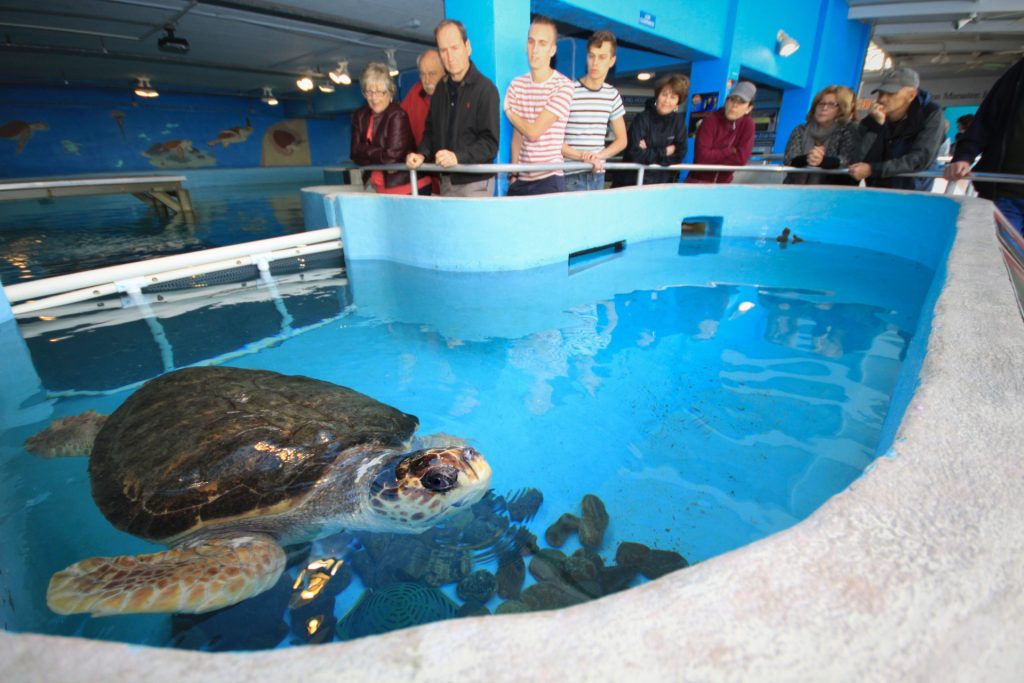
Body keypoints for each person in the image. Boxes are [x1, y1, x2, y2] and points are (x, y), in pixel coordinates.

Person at [406, 19, 500, 197]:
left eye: (455, 48)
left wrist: (458, 157)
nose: (450, 56)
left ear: (468, 47)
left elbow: (490, 144)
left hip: (475, 182)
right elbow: (431, 133)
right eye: (443, 50)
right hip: (446, 181)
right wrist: (421, 155)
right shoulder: (440, 90)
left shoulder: (486, 89)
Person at [945, 58, 1024, 233]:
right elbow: (985, 121)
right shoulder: (1016, 77)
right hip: (1006, 193)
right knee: (1001, 254)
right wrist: (964, 157)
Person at [503, 15, 575, 196]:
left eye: (542, 44)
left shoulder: (564, 86)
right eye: (531, 41)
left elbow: (533, 132)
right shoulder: (516, 85)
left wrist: (509, 112)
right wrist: (514, 174)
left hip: (550, 179)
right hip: (521, 180)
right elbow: (518, 137)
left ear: (552, 50)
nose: (535, 49)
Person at [849, 67, 943, 191]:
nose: (882, 99)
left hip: (912, 193)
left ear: (911, 95)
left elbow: (921, 158)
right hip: (876, 191)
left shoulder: (930, 113)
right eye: (881, 93)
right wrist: (878, 126)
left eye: (891, 93)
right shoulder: (871, 119)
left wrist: (873, 169)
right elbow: (858, 157)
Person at [351, 62, 430, 195]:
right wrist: (380, 153)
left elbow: (391, 158)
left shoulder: (397, 115)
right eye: (369, 92)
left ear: (390, 91)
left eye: (380, 92)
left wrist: (364, 150)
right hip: (381, 186)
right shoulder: (360, 115)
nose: (374, 98)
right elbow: (354, 153)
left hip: (409, 186)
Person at [561, 30, 627, 191]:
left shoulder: (612, 95)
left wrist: (598, 156)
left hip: (598, 175)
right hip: (570, 176)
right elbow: (554, 141)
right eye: (591, 56)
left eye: (602, 57)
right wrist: (584, 157)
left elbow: (622, 140)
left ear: (612, 61)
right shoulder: (567, 90)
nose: (595, 63)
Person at [613, 74, 688, 186]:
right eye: (664, 95)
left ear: (678, 101)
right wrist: (666, 151)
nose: (667, 101)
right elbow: (635, 154)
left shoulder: (679, 122)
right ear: (657, 95)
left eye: (673, 97)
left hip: (662, 186)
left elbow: (679, 155)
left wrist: (649, 152)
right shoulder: (642, 119)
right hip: (632, 184)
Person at [782, 85, 861, 185]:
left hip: (832, 194)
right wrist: (808, 158)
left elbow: (848, 161)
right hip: (796, 192)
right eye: (821, 103)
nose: (824, 108)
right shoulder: (800, 130)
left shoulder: (849, 130)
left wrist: (822, 161)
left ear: (841, 109)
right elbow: (789, 160)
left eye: (832, 104)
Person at [684, 80, 756, 184]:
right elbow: (702, 158)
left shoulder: (748, 124)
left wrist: (713, 157)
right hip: (697, 182)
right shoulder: (710, 120)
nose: (734, 105)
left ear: (749, 109)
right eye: (732, 100)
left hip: (724, 185)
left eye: (741, 102)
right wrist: (730, 151)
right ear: (726, 102)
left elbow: (741, 160)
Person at [401, 50, 444, 147]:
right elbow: (398, 121)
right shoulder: (415, 92)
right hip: (422, 158)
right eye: (422, 74)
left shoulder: (457, 94)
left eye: (432, 73)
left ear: (445, 71)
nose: (427, 80)